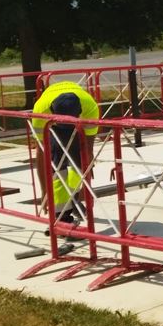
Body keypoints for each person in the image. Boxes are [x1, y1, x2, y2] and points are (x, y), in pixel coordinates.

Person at [31, 81, 100, 226]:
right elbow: (41, 153)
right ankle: (61, 215)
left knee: (80, 163)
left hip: (78, 125)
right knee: (56, 164)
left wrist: (86, 186)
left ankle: (73, 196)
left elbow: (88, 149)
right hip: (52, 126)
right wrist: (45, 191)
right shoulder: (41, 111)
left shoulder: (90, 107)